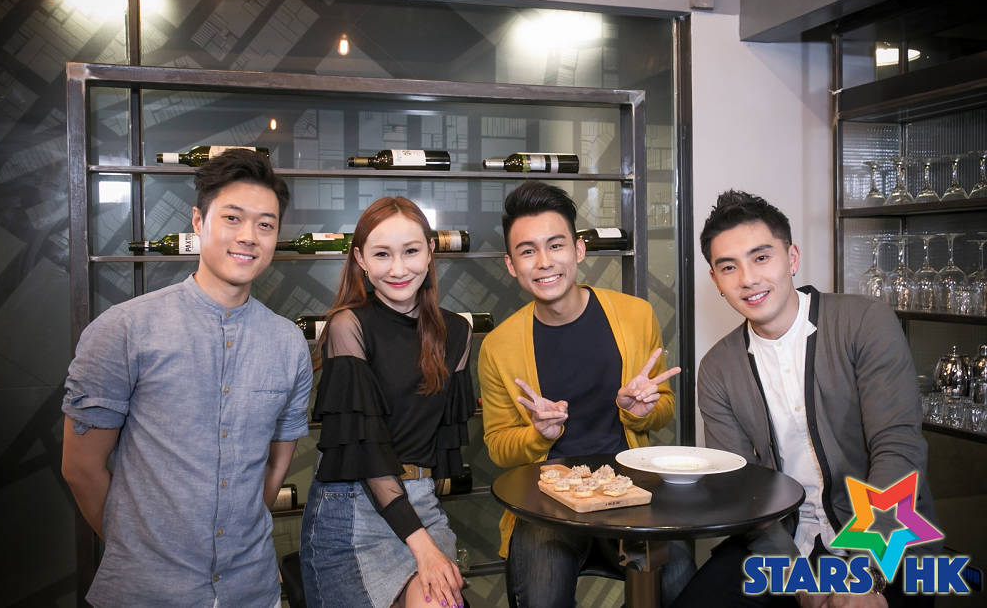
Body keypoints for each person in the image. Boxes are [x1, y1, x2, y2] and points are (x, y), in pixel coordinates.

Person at [61, 149, 313, 607]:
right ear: (198, 221)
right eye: (232, 218)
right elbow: (80, 468)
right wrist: (140, 550)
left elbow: (277, 463)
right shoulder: (125, 330)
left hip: (252, 591)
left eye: (265, 224)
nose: (248, 236)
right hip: (145, 594)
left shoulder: (288, 342)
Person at [673, 190, 938, 608]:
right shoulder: (717, 369)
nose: (748, 279)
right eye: (729, 266)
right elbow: (740, 487)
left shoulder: (863, 322)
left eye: (762, 257)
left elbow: (898, 448)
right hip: (777, 542)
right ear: (716, 281)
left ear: (792, 258)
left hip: (887, 540)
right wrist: (797, 577)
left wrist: (866, 572)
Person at [478, 181, 691, 607]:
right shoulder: (498, 346)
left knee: (679, 579)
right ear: (511, 265)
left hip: (628, 489)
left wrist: (638, 411)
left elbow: (664, 408)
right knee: (540, 595)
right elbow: (499, 446)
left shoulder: (634, 315)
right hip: (546, 500)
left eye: (555, 245)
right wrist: (538, 434)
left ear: (578, 249)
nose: (544, 262)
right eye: (527, 251)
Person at [300, 196, 475, 608]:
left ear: (430, 251)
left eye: (410, 251)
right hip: (351, 508)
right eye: (382, 254)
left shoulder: (456, 332)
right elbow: (367, 452)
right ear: (360, 259)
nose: (398, 269)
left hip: (420, 503)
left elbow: (439, 445)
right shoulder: (348, 326)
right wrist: (424, 548)